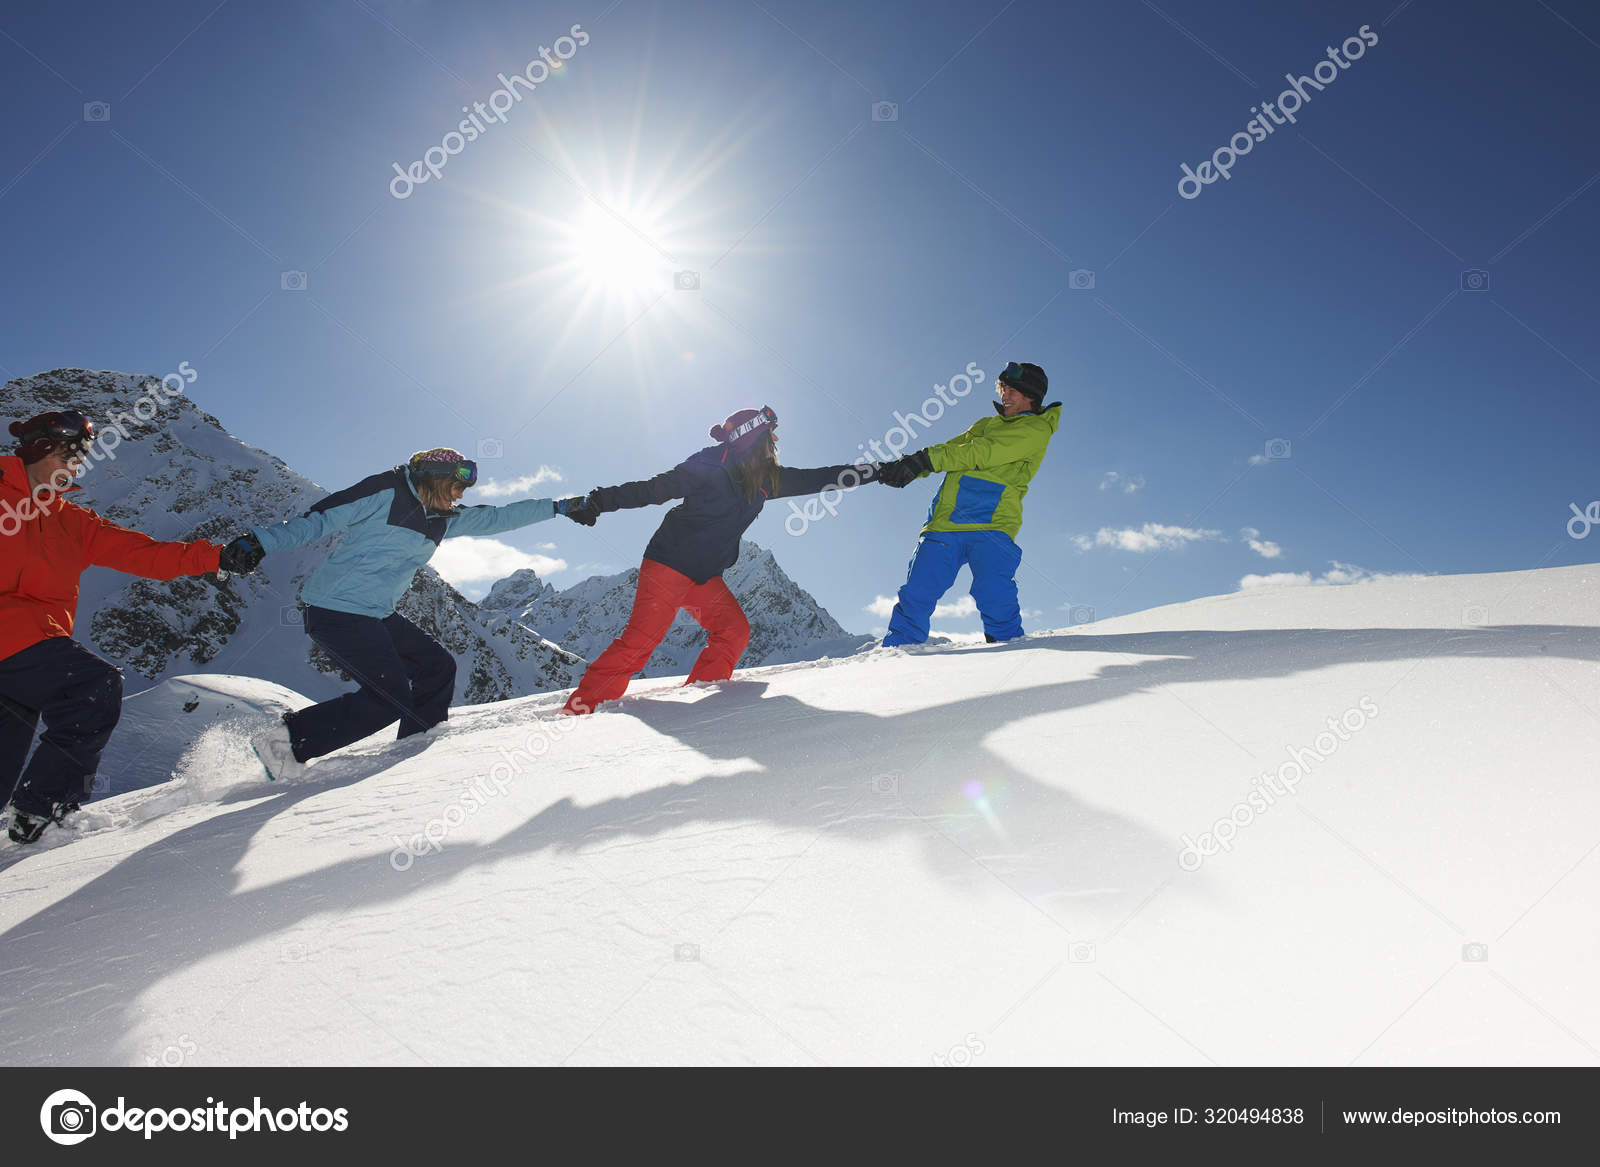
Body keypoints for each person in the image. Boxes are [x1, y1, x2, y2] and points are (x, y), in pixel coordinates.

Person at [240, 448, 588, 778]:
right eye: (456, 486)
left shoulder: (442, 518)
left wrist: (560, 507)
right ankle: (283, 744)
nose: (460, 496)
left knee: (437, 667)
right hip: (335, 609)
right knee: (387, 700)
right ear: (435, 478)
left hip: (376, 613)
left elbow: (499, 517)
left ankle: (415, 748)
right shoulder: (384, 492)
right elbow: (319, 520)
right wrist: (259, 543)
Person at [1, 411, 258, 844]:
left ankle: (30, 820)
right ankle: (46, 809)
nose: (78, 463)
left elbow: (141, 552)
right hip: (18, 642)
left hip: (30, 656)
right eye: (72, 452)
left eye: (84, 454)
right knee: (93, 687)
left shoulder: (71, 521)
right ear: (41, 448)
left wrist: (214, 558)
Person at [559, 407, 865, 714]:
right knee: (639, 644)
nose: (775, 442)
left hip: (703, 577)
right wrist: (597, 502)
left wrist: (884, 470)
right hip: (669, 564)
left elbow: (824, 478)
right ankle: (579, 711)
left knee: (734, 631)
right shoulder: (710, 463)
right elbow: (652, 489)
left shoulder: (767, 480)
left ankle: (703, 704)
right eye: (771, 435)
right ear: (755, 436)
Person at [874, 361, 1059, 646]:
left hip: (993, 524)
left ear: (1031, 395)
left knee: (994, 592)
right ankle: (899, 652)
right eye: (1004, 389)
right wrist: (909, 466)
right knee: (917, 592)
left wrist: (925, 459)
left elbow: (983, 453)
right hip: (946, 522)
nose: (1005, 395)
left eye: (1014, 390)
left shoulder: (1036, 429)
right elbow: (952, 450)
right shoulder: (985, 425)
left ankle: (1009, 648)